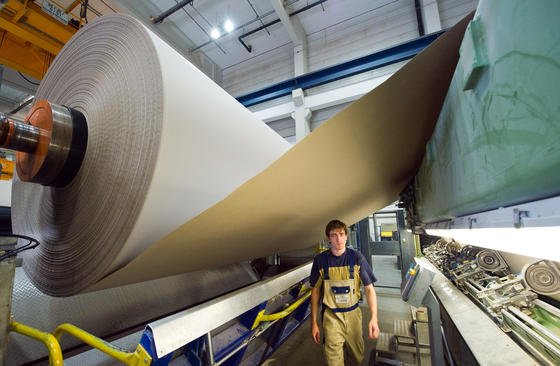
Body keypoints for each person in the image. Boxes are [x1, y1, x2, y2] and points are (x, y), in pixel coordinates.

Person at [310, 219, 380, 365]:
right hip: (331, 317)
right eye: (334, 235)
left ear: (347, 236)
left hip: (353, 315)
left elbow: (369, 289)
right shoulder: (320, 260)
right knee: (333, 359)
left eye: (341, 234)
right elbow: (315, 291)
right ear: (328, 239)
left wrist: (374, 318)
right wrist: (314, 323)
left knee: (357, 357)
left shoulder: (357, 258)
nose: (338, 239)